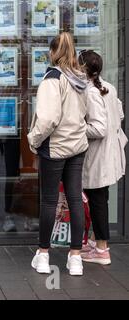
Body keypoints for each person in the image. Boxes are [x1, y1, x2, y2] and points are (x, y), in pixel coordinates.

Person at [27, 32, 89, 276]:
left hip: (55, 148)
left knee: (49, 201)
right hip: (77, 147)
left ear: (53, 52)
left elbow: (48, 119)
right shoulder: (81, 79)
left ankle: (43, 254)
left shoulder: (52, 78)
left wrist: (33, 140)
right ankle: (76, 258)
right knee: (75, 200)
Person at [79, 50, 127, 265]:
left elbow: (98, 128)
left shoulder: (90, 93)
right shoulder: (109, 87)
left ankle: (101, 250)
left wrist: (78, 127)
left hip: (98, 155)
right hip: (110, 154)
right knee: (100, 199)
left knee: (97, 201)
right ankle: (95, 242)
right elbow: (120, 115)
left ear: (82, 69)